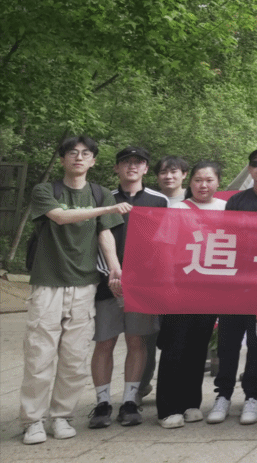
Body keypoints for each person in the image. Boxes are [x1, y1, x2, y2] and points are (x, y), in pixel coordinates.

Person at [20, 136, 127, 445]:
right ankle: (33, 420)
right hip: (48, 282)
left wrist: (115, 268)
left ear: (93, 161)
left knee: (74, 356)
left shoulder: (98, 192)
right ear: (63, 159)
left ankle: (62, 416)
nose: (79, 157)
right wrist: (105, 208)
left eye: (86, 153)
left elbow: (105, 233)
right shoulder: (46, 191)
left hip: (85, 284)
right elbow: (60, 217)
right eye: (72, 153)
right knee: (39, 354)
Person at [90, 146, 166, 429]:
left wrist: (141, 279)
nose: (132, 166)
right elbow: (95, 238)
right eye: (126, 162)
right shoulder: (103, 198)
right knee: (104, 342)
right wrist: (109, 274)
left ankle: (130, 401)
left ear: (146, 168)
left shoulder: (159, 200)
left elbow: (161, 243)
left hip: (141, 286)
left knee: (137, 342)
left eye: (138, 162)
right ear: (116, 168)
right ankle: (102, 403)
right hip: (105, 283)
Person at [207, 147, 257, 427]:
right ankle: (223, 395)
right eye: (255, 163)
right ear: (249, 168)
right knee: (228, 343)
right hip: (235, 285)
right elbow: (227, 238)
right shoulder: (237, 200)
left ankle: (252, 395)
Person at [155, 161, 225, 428]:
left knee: (198, 346)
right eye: (198, 180)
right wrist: (169, 285)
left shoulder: (226, 208)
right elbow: (164, 249)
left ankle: (191, 403)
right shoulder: (178, 210)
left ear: (218, 182)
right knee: (175, 345)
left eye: (209, 180)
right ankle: (168, 408)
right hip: (181, 285)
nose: (203, 185)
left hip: (210, 288)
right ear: (189, 181)